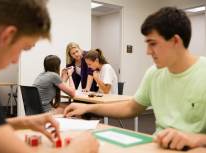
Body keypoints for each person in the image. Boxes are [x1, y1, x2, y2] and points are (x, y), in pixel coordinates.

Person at [64, 7, 206, 151]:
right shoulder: (154, 73)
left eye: (153, 43)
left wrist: (197, 138)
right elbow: (131, 107)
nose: (148, 51)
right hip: (158, 146)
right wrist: (88, 107)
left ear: (175, 41)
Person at [0, 1, 99, 153]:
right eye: (23, 48)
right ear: (7, 36)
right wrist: (80, 148)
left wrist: (22, 122)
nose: (15, 60)